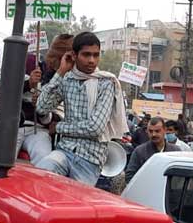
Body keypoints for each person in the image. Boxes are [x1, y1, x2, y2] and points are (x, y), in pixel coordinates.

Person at [34, 32, 128, 186]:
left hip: (90, 158)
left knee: (73, 206)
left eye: (95, 55)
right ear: (74, 55)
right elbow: (41, 107)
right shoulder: (66, 79)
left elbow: (95, 128)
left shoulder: (106, 83)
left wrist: (59, 127)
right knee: (40, 179)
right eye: (86, 55)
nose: (92, 60)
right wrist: (60, 71)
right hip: (64, 150)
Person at [17, 34, 74, 165]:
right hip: (15, 127)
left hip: (40, 130)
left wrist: (49, 114)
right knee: (1, 159)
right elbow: (5, 91)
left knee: (44, 161)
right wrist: (29, 84)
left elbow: (58, 113)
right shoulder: (32, 66)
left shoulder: (69, 78)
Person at [125, 117, 181, 183]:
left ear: (165, 130)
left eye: (157, 131)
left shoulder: (175, 151)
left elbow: (180, 177)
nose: (153, 134)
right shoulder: (139, 151)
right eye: (150, 131)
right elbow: (129, 176)